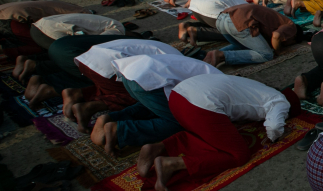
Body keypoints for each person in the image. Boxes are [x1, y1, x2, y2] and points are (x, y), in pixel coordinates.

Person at [136, 74, 302, 191]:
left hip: (177, 96)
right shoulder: (280, 100)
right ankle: (172, 164)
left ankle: (158, 147)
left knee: (204, 134)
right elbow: (274, 127)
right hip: (201, 104)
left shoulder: (261, 88)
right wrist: (275, 137)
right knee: (239, 154)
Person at [90, 52, 224, 155]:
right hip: (147, 80)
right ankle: (121, 130)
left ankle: (114, 117)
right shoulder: (216, 82)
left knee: (152, 104)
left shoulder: (204, 69)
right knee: (180, 122)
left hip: (128, 73)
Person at [205, 3, 301, 66]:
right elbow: (276, 36)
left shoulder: (278, 22)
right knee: (266, 55)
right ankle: (223, 55)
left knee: (243, 45)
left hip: (222, 19)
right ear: (293, 36)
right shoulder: (291, 27)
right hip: (237, 21)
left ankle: (208, 56)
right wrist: (278, 51)